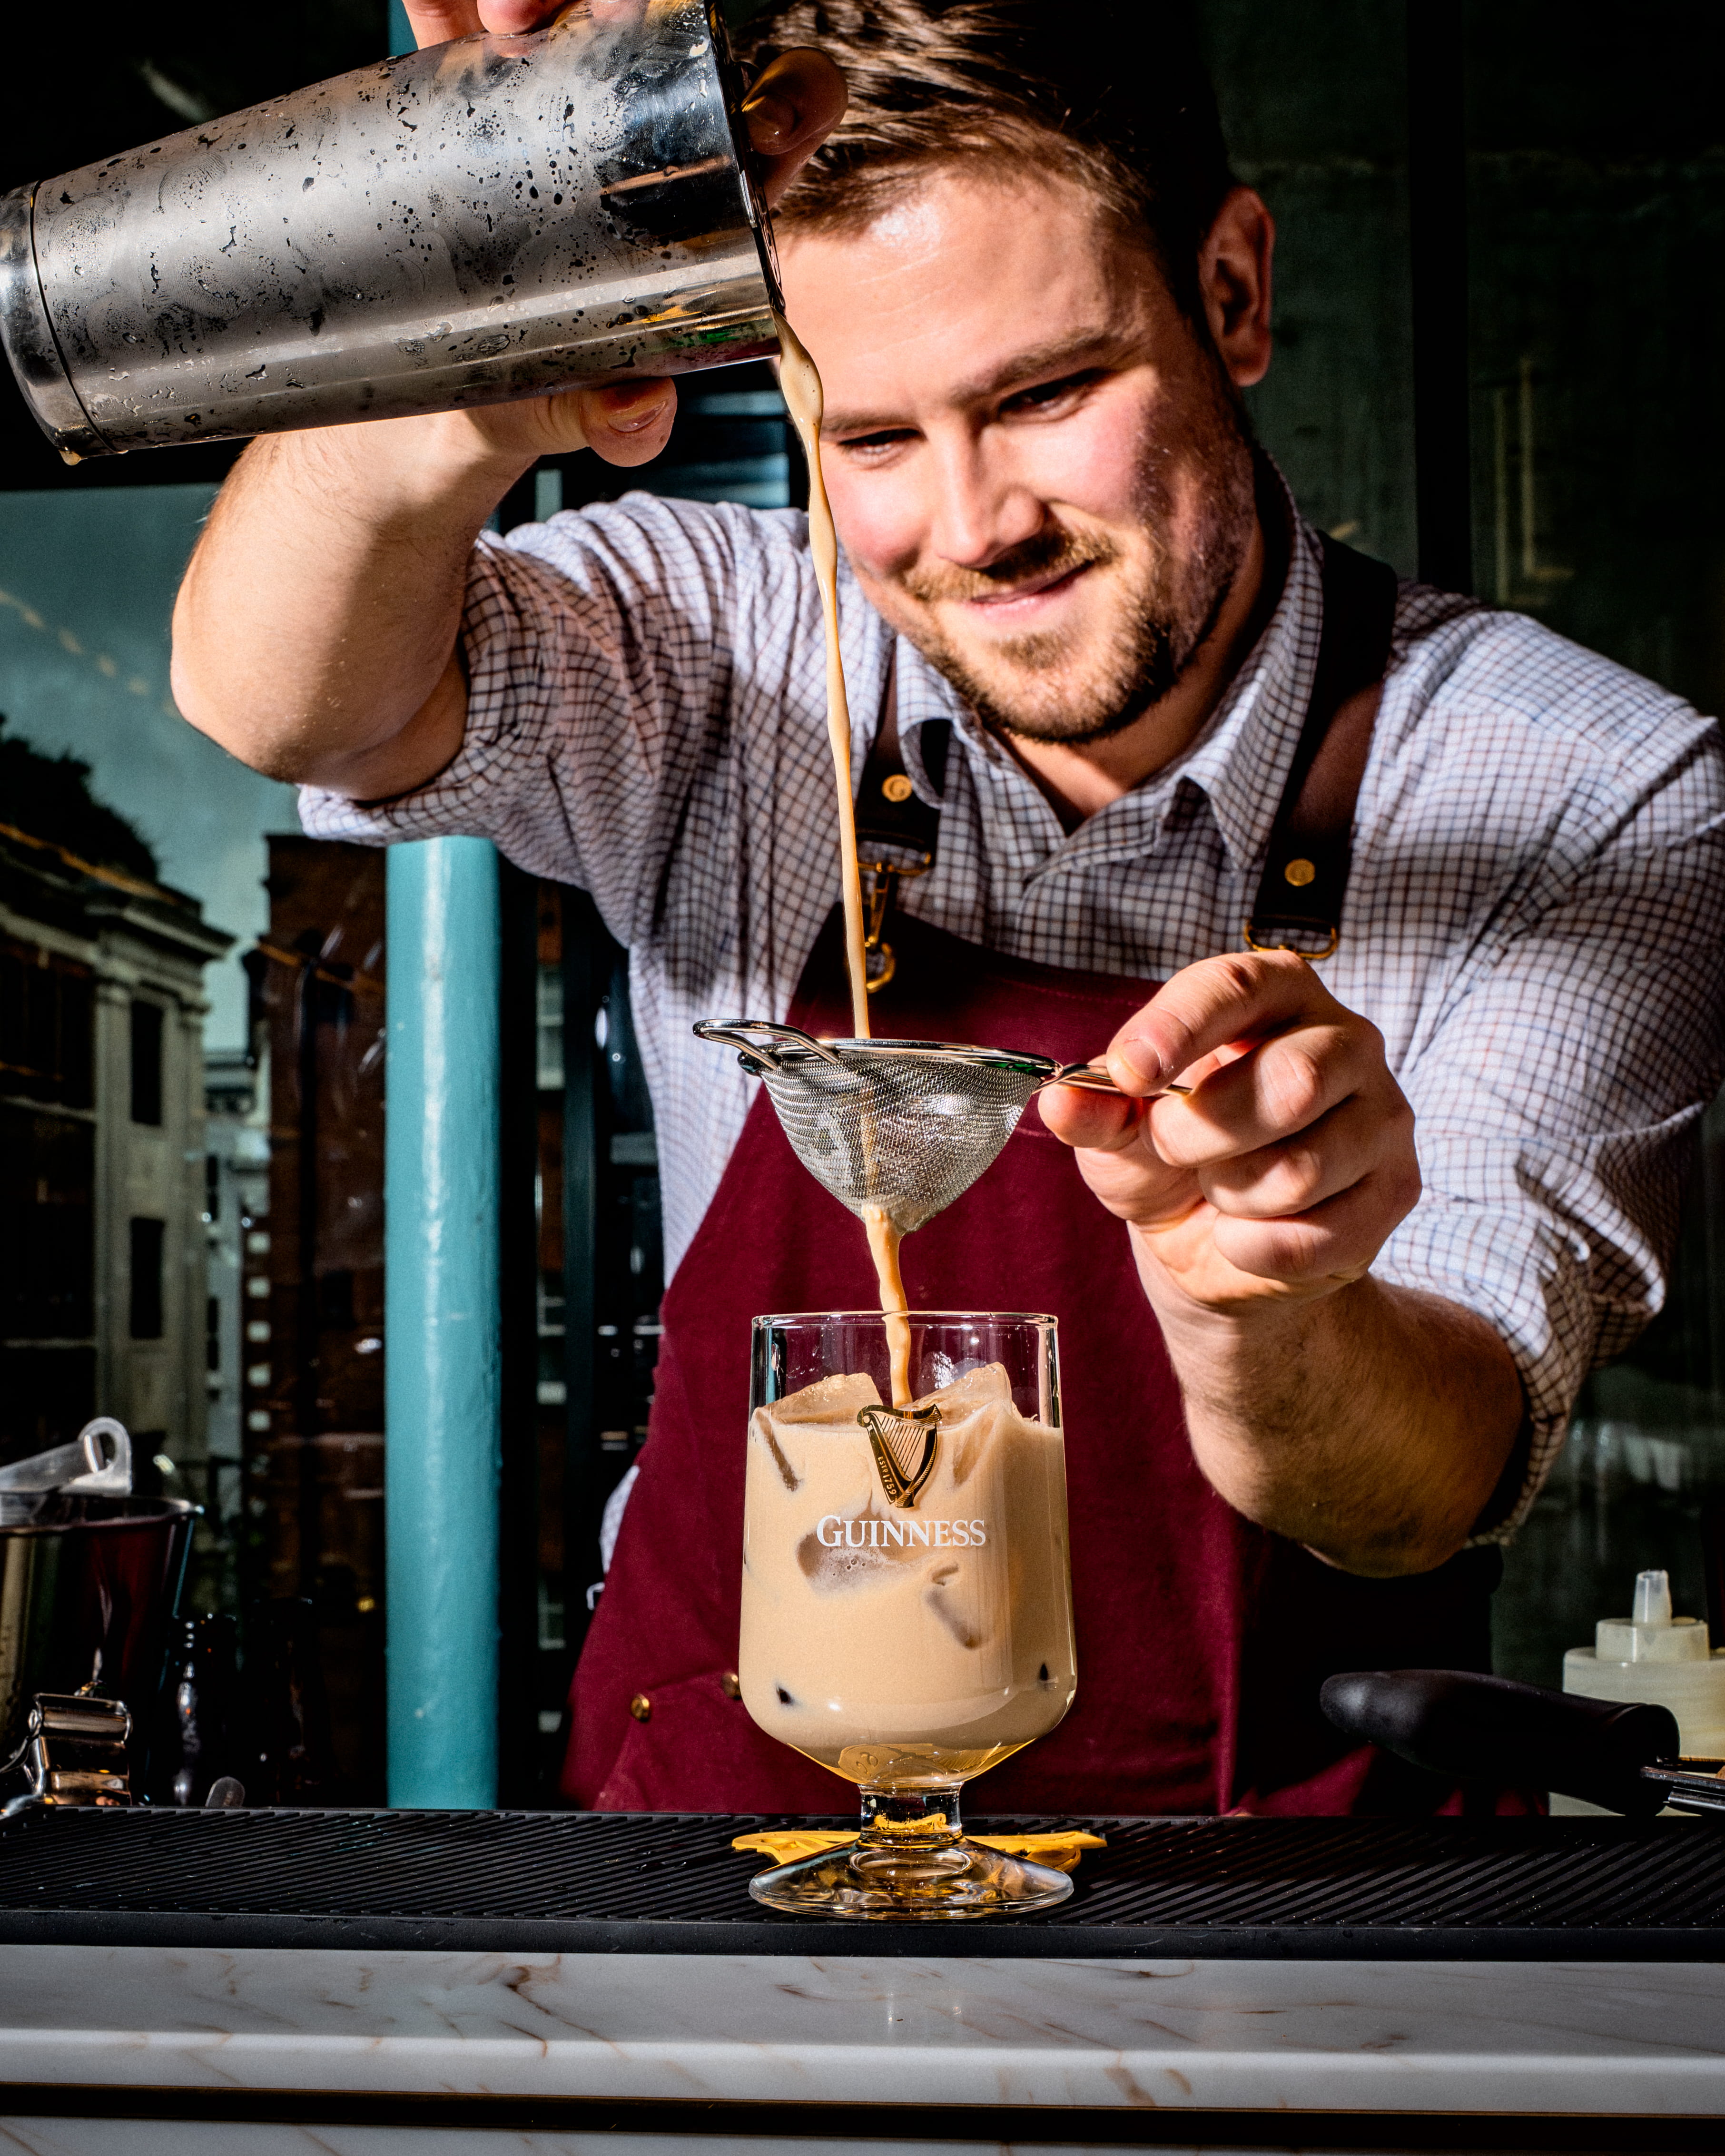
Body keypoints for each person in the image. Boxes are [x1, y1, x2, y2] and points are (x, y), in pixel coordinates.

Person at [173, 0, 1725, 1814]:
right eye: (875, 437)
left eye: (1049, 394)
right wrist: (452, 368)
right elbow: (286, 703)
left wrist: (1262, 1309)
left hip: (1267, 1920)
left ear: (1229, 293)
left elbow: (1420, 1484)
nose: (974, 524)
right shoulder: (725, 638)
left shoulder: (1584, 785)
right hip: (719, 1853)